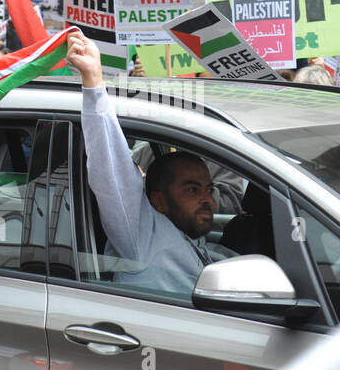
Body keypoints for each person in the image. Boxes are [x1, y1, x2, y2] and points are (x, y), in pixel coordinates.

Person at [66, 31, 234, 295]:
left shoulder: (206, 246)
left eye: (208, 189)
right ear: (158, 202)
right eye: (192, 189)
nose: (207, 200)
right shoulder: (141, 235)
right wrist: (93, 82)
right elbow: (110, 172)